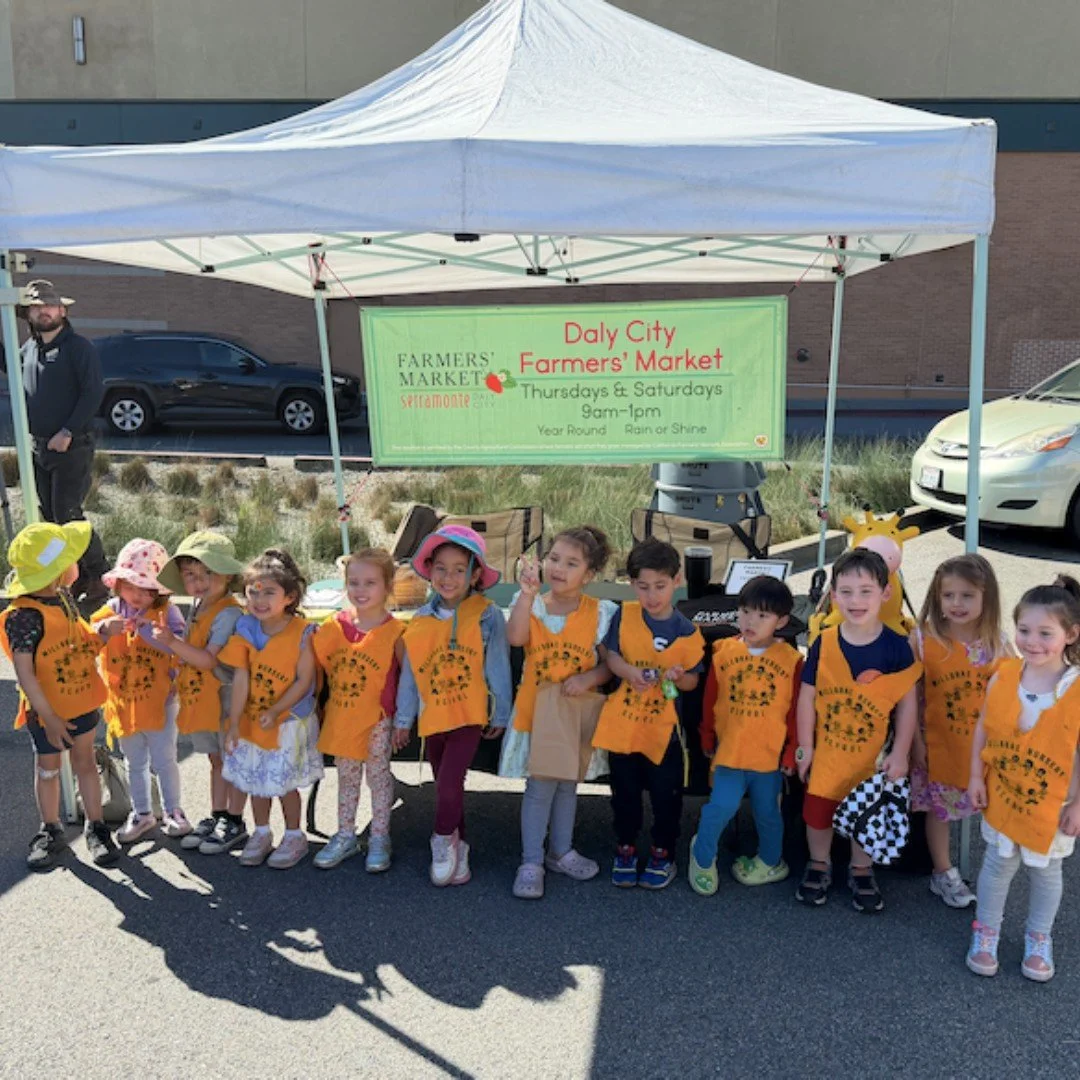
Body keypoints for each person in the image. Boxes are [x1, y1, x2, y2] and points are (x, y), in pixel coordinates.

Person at [966, 576, 1080, 983]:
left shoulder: (1076, 689)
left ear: (1070, 635)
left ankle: (1039, 937)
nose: (1032, 641)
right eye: (1025, 630)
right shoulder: (1005, 676)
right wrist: (976, 775)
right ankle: (986, 931)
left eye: (1045, 633)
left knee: (1046, 873)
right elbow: (984, 726)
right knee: (997, 865)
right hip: (1003, 793)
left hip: (1054, 806)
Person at [795, 548, 922, 913]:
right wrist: (805, 746)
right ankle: (819, 863)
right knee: (818, 812)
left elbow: (907, 703)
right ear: (833, 594)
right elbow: (808, 695)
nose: (856, 600)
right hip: (829, 751)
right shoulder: (825, 641)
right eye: (846, 591)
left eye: (866, 591)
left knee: (868, 813)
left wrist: (901, 752)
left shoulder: (896, 647)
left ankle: (861, 867)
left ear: (885, 593)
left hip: (873, 756)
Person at [394, 525, 513, 887]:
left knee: (449, 783)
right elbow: (411, 676)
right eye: (441, 568)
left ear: (475, 574)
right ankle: (459, 845)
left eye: (459, 569)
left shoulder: (488, 614)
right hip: (434, 716)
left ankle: (441, 838)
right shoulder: (420, 620)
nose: (449, 577)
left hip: (468, 714)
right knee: (445, 781)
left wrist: (502, 711)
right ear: (429, 570)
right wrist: (403, 718)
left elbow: (498, 664)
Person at [502, 526, 616, 900]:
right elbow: (516, 638)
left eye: (572, 563)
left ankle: (560, 852)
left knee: (568, 786)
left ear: (590, 574)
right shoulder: (532, 605)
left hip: (575, 716)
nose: (559, 568)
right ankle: (531, 860)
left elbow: (608, 665)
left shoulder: (600, 613)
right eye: (554, 559)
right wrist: (525, 594)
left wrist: (589, 679)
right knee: (539, 789)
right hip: (537, 713)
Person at [0, 521, 119, 868]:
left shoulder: (63, 600)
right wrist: (48, 717)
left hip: (80, 701)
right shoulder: (24, 616)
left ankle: (96, 828)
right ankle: (50, 829)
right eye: (71, 558)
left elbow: (77, 645)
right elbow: (24, 674)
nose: (76, 564)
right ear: (59, 571)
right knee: (48, 768)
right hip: (47, 711)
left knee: (85, 763)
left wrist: (100, 635)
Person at [593, 536, 705, 890]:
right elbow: (610, 657)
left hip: (665, 730)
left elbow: (692, 682)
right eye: (643, 587)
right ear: (631, 585)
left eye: (660, 586)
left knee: (665, 794)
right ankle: (625, 846)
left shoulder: (686, 630)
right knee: (623, 791)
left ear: (677, 581)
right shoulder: (623, 617)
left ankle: (663, 851)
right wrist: (629, 672)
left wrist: (679, 676)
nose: (652, 595)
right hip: (624, 724)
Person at [689, 575, 802, 895]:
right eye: (745, 611)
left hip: (769, 757)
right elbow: (710, 699)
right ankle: (701, 855)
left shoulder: (792, 661)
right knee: (720, 807)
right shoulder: (723, 652)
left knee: (768, 812)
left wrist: (792, 751)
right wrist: (706, 737)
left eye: (762, 615)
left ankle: (770, 861)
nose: (750, 621)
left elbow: (794, 711)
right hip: (731, 752)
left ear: (781, 621)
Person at [910, 554, 1008, 908]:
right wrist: (914, 743)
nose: (956, 603)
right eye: (948, 595)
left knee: (992, 808)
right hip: (938, 744)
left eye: (967, 595)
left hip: (983, 748)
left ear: (987, 597)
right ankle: (943, 871)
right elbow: (911, 698)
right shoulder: (924, 640)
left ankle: (998, 870)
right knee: (940, 811)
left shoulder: (998, 644)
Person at [220, 550, 323, 869]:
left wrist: (277, 709)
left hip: (288, 720)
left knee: (283, 782)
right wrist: (235, 721)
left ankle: (294, 835)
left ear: (290, 597)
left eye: (269, 592)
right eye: (253, 591)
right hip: (253, 719)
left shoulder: (303, 632)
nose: (259, 599)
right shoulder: (246, 629)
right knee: (255, 780)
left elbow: (304, 681)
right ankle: (262, 832)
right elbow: (241, 677)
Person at [150, 531, 247, 854]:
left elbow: (208, 659)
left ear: (227, 575)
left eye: (208, 572)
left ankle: (234, 820)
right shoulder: (200, 606)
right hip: (203, 699)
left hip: (225, 699)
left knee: (230, 761)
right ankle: (218, 814)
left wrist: (172, 642)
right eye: (190, 575)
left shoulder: (229, 612)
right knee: (216, 761)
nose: (199, 581)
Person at [17, 280, 108, 608]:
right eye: (38, 306)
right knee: (49, 516)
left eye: (51, 306)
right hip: (37, 448)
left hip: (72, 446)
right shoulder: (27, 350)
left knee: (69, 514)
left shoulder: (79, 348)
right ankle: (75, 575)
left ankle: (99, 576)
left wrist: (67, 430)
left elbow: (92, 393)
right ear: (29, 312)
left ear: (63, 311)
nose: (45, 311)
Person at [312, 548, 404, 872]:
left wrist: (403, 720)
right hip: (343, 716)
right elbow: (314, 663)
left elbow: (407, 679)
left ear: (388, 586)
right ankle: (345, 834)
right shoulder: (332, 627)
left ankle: (379, 836)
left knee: (377, 778)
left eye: (370, 583)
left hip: (378, 719)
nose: (360, 590)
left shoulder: (396, 632)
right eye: (354, 582)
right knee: (347, 778)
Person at [92, 539, 189, 843]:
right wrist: (103, 630)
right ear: (118, 584)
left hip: (162, 701)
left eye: (144, 588)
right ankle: (142, 813)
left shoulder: (168, 612)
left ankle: (174, 811)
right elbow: (88, 637)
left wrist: (156, 634)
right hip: (123, 701)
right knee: (134, 762)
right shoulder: (110, 610)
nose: (136, 595)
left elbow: (182, 645)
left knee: (164, 760)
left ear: (158, 591)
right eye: (130, 585)